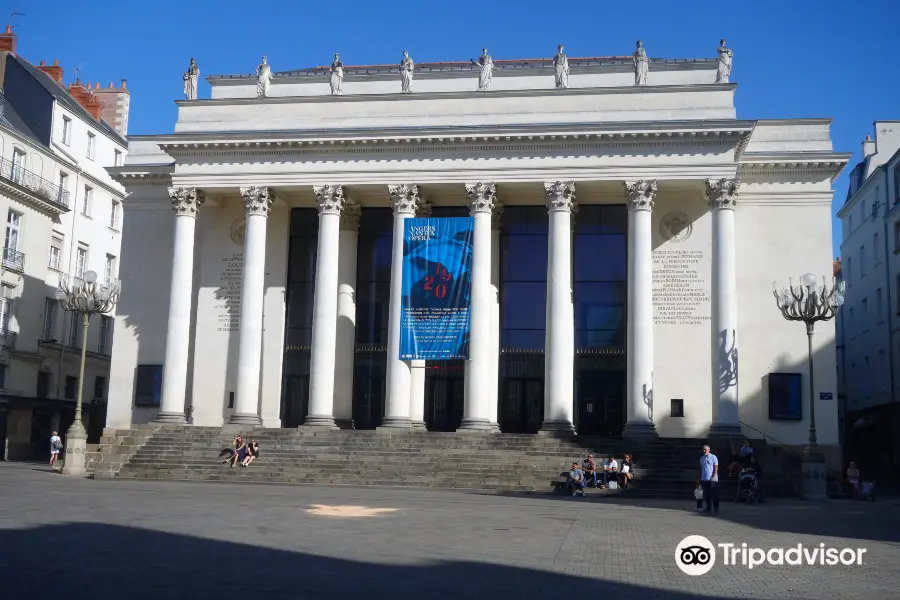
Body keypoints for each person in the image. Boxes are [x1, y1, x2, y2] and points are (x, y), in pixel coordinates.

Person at [699, 445, 719, 513]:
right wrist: (700, 477)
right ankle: (708, 507)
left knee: (714, 494)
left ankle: (716, 508)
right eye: (703, 449)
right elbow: (701, 468)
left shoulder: (713, 457)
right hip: (704, 478)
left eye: (705, 449)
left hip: (712, 479)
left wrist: (714, 476)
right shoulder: (702, 458)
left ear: (709, 449)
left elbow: (716, 467)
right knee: (707, 494)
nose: (704, 451)